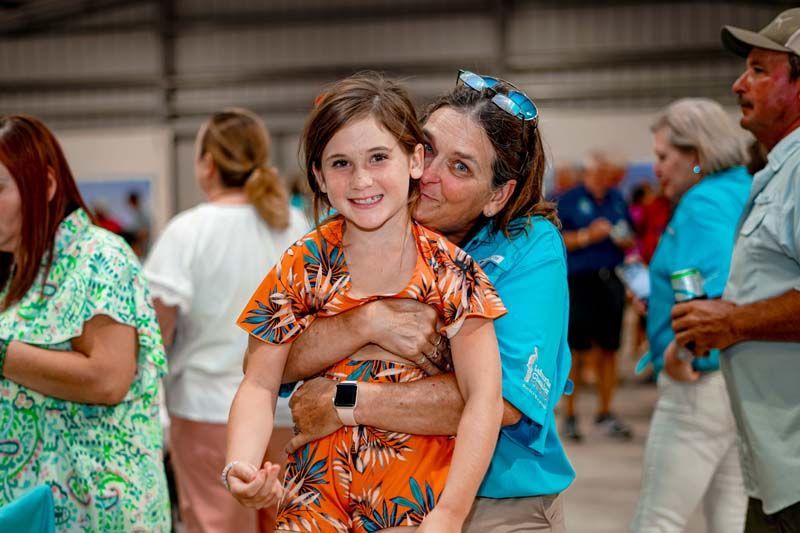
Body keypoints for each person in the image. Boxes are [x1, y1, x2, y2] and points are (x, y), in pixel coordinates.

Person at [281, 70, 575, 532]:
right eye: (429, 149)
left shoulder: (527, 248)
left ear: (498, 195)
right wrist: (369, 322)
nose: (429, 176)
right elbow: (275, 356)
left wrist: (345, 398)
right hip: (357, 496)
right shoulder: (360, 222)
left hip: (490, 504)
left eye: (461, 167)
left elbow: (500, 401)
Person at [225, 73, 506, 532]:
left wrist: (451, 515)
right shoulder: (302, 264)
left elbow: (484, 400)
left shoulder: (453, 273)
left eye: (378, 158)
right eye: (340, 164)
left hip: (415, 512)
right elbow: (258, 382)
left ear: (414, 160)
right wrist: (241, 463)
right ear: (318, 175)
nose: (361, 180)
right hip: (311, 506)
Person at [0, 114, 170, 530]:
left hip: (95, 511)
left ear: (47, 184)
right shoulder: (19, 275)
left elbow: (109, 378)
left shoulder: (97, 256)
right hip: (38, 505)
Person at [144, 108, 308, 533]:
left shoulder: (188, 231)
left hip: (205, 411)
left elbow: (155, 333)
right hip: (285, 410)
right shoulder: (293, 225)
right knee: (290, 522)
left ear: (208, 164)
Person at [673, 9, 800, 529]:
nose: (738, 83)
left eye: (759, 70)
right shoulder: (778, 170)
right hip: (776, 466)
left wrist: (733, 323)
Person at [630, 98, 750, 533]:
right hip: (737, 382)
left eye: (663, 157)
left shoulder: (704, 204)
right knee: (730, 515)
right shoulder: (742, 188)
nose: (655, 168)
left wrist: (683, 356)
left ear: (696, 154)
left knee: (657, 519)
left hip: (701, 384)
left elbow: (713, 296)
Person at [558, 151, 635, 441]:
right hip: (580, 281)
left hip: (611, 278)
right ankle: (570, 413)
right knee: (577, 350)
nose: (603, 180)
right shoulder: (568, 200)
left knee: (609, 348)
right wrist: (588, 236)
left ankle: (605, 411)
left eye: (607, 175)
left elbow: (630, 232)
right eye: (598, 174)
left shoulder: (616, 199)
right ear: (586, 175)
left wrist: (625, 239)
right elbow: (558, 241)